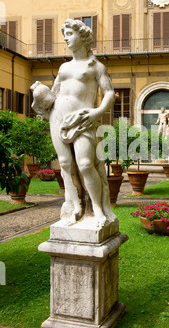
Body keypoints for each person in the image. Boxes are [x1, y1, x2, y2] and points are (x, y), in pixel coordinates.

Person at [31, 19, 117, 228]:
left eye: (70, 34)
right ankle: (76, 205)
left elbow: (109, 93)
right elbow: (55, 94)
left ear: (83, 37)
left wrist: (97, 112)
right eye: (65, 34)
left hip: (82, 118)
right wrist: (40, 93)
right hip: (57, 117)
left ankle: (96, 207)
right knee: (66, 164)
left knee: (86, 164)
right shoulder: (63, 67)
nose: (66, 38)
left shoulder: (96, 66)